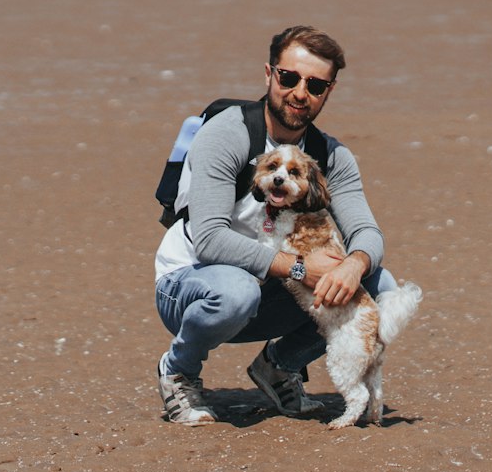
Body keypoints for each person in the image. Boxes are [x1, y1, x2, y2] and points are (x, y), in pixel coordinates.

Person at [154, 24, 397, 424]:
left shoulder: (329, 157)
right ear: (269, 75)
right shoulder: (228, 134)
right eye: (289, 78)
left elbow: (368, 234)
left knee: (380, 287)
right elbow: (211, 241)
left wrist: (353, 265)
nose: (301, 93)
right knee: (237, 290)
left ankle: (279, 366)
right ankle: (178, 371)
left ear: (329, 91)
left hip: (272, 288)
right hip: (193, 284)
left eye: (316, 85)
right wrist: (302, 268)